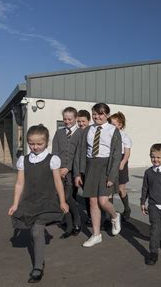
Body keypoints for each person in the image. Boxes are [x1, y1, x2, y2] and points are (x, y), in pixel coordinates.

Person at [8, 125, 69, 283]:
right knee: (32, 231)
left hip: (46, 201)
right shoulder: (23, 160)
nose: (34, 147)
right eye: (31, 143)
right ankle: (38, 255)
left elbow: (57, 182)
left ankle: (38, 266)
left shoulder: (52, 159)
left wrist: (62, 201)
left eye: (39, 144)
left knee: (36, 231)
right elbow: (19, 184)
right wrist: (15, 204)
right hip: (29, 201)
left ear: (46, 142)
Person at [75, 103, 122, 247]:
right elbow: (81, 152)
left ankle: (115, 216)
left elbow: (116, 156)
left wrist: (112, 176)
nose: (97, 117)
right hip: (90, 167)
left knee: (103, 201)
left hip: (105, 168)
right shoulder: (88, 130)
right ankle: (96, 235)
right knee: (92, 202)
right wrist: (78, 173)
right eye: (94, 114)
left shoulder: (113, 131)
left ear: (106, 115)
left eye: (100, 114)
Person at [52, 107, 82, 239]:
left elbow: (78, 154)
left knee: (68, 197)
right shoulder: (59, 133)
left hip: (72, 172)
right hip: (59, 171)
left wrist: (68, 168)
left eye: (70, 119)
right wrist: (57, 169)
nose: (67, 121)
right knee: (61, 198)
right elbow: (55, 152)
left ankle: (77, 222)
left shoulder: (81, 133)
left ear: (75, 118)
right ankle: (69, 226)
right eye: (64, 119)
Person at [109, 112, 132, 220]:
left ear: (120, 125)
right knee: (110, 188)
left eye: (114, 124)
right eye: (111, 124)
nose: (112, 126)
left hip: (121, 161)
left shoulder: (125, 137)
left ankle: (127, 208)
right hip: (111, 161)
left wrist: (122, 163)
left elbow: (127, 152)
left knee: (120, 188)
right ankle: (110, 213)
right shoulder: (108, 135)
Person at [75, 109, 91, 225]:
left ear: (88, 121)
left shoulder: (92, 132)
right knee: (86, 195)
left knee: (94, 196)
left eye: (83, 121)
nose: (81, 124)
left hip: (91, 169)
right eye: (79, 121)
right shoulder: (77, 133)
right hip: (81, 169)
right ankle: (90, 216)